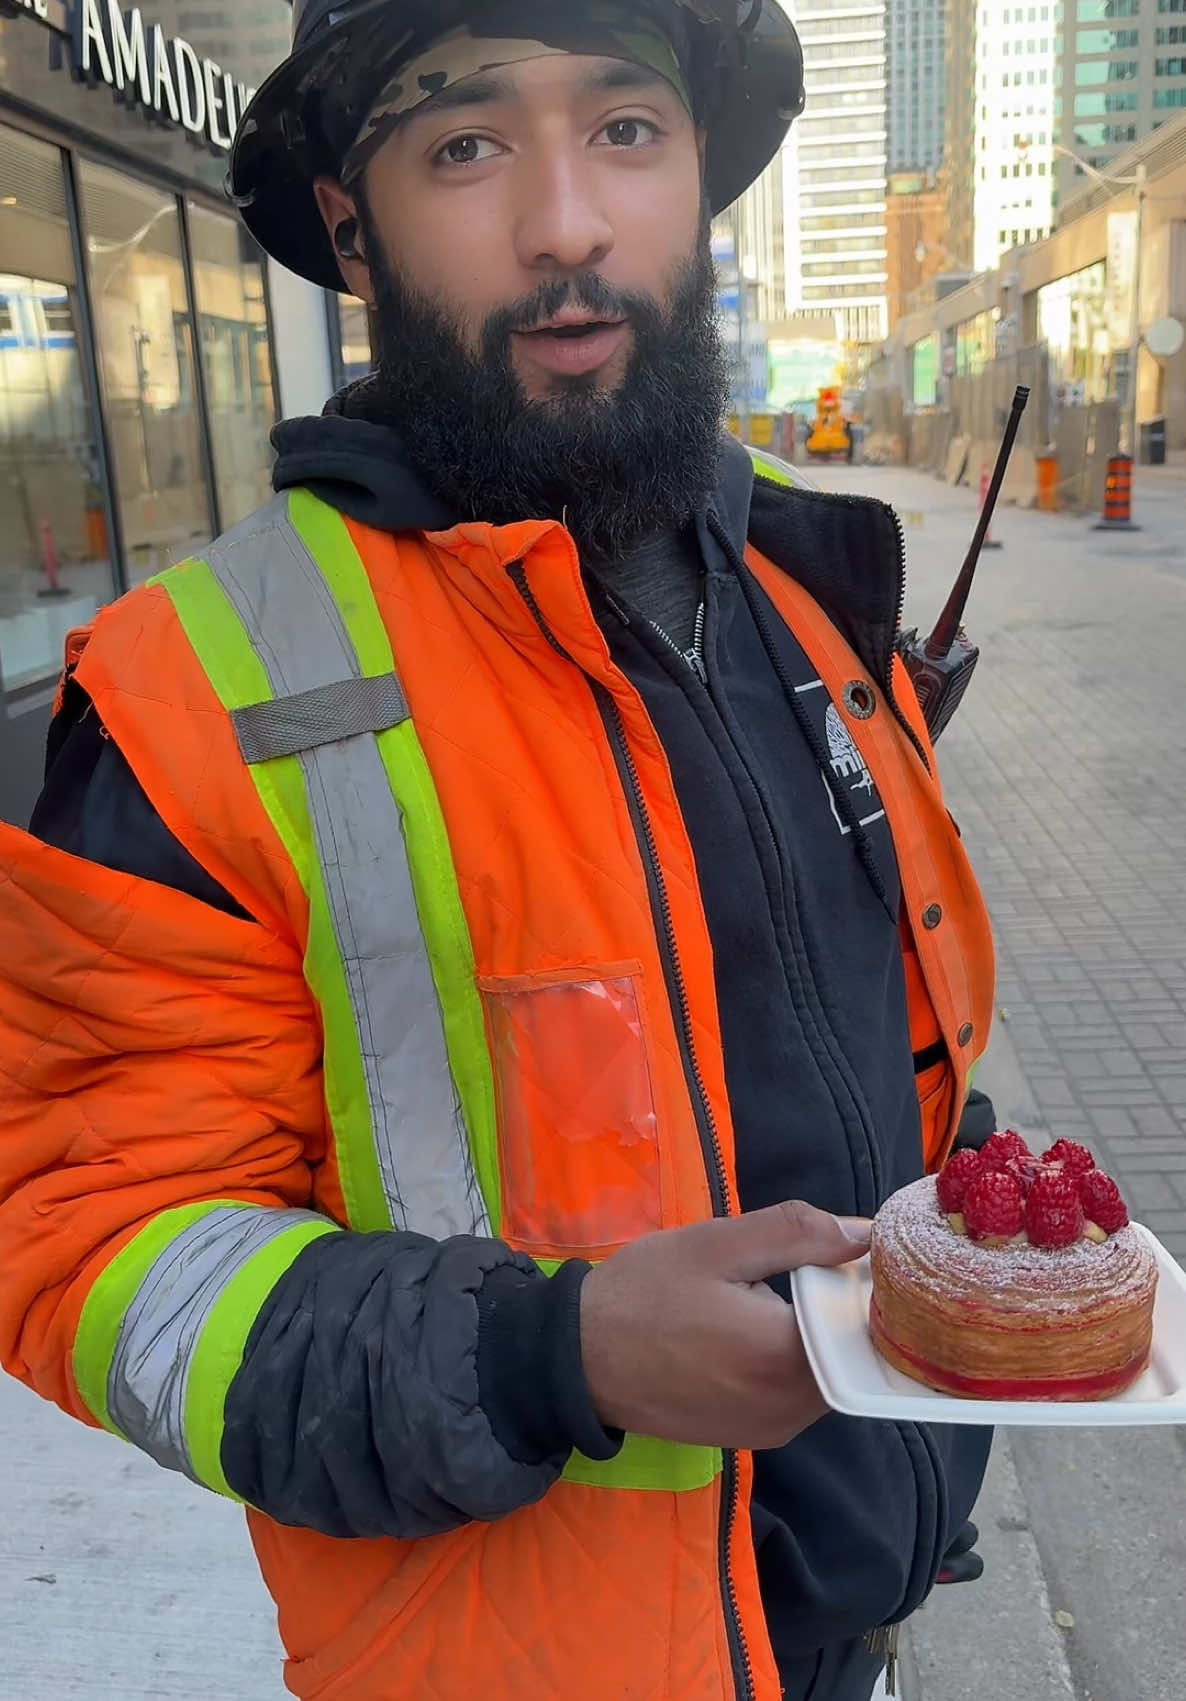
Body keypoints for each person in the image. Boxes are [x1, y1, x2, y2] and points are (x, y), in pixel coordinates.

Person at [0, 3, 996, 1698]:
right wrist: (561, 1349)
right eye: (463, 144)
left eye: (628, 131)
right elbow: (101, 1253)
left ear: (696, 177)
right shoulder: (191, 689)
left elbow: (870, 1057)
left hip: (856, 1616)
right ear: (346, 223)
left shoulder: (800, 595)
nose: (566, 224)